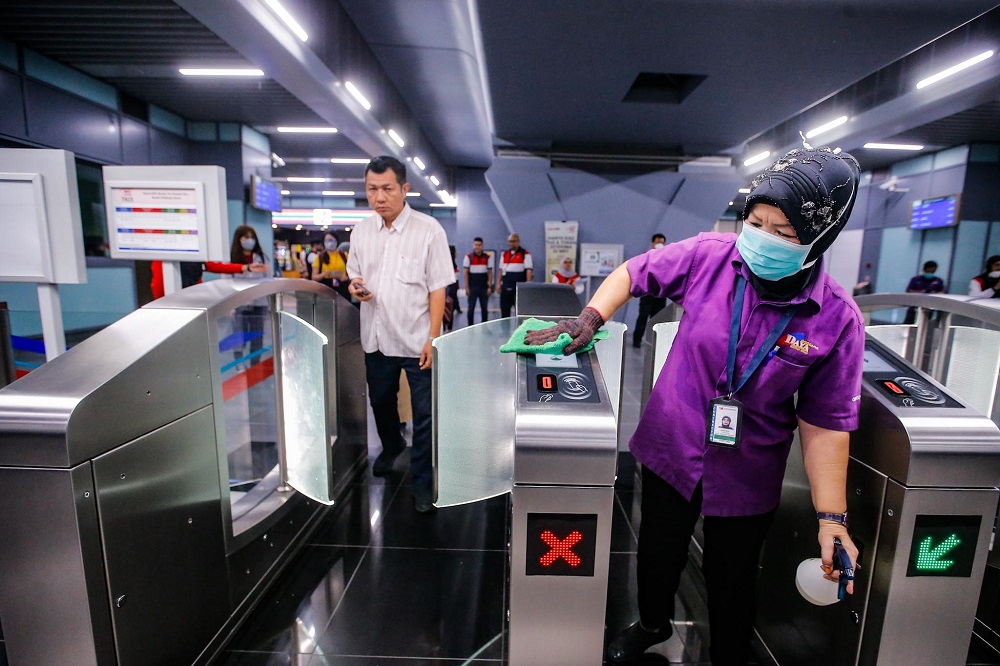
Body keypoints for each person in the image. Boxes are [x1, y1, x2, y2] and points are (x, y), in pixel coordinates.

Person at [525, 146, 864, 665]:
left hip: (749, 467)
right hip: (672, 442)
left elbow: (826, 424)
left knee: (732, 575)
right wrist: (590, 317)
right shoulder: (710, 255)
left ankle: (729, 653)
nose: (762, 238)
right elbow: (634, 273)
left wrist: (831, 517)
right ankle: (653, 624)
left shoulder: (836, 319)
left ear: (819, 239)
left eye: (784, 232)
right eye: (755, 221)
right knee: (659, 553)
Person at [346, 156, 454, 514]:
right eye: (372, 189)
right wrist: (356, 286)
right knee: (380, 402)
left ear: (404, 189)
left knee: (425, 414)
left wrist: (433, 338)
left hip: (415, 338)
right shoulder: (361, 232)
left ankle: (423, 481)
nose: (379, 197)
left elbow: (438, 288)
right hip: (375, 337)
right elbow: (354, 276)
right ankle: (392, 448)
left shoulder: (428, 230)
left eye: (387, 189)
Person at [632, 234, 667, 348]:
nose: (660, 244)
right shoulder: (646, 256)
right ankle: (637, 340)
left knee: (658, 319)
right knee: (643, 316)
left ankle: (656, 342)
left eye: (662, 242)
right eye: (658, 242)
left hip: (661, 294)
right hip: (647, 293)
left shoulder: (666, 257)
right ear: (653, 243)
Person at [497, 233, 533, 318]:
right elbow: (501, 270)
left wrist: (527, 284)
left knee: (520, 313)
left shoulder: (525, 254)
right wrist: (498, 284)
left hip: (518, 288)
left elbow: (529, 270)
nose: (511, 243)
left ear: (518, 242)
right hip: (505, 287)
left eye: (514, 241)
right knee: (504, 311)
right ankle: (505, 330)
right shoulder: (505, 254)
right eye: (510, 241)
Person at [463, 237, 493, 326]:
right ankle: (470, 327)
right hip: (472, 287)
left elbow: (490, 273)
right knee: (471, 309)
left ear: (482, 246)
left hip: (484, 287)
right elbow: (465, 273)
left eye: (479, 245)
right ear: (473, 245)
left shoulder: (487, 257)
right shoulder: (468, 257)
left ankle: (484, 327)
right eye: (476, 245)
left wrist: (490, 287)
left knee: (484, 309)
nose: (477, 247)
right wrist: (467, 287)